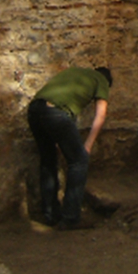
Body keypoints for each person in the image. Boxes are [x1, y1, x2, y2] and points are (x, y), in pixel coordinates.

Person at [27, 65, 112, 230]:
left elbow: (61, 105)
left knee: (48, 160)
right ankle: (71, 218)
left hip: (35, 110)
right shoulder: (102, 80)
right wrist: (87, 145)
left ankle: (50, 214)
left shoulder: (75, 72)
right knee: (79, 161)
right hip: (55, 114)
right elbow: (101, 115)